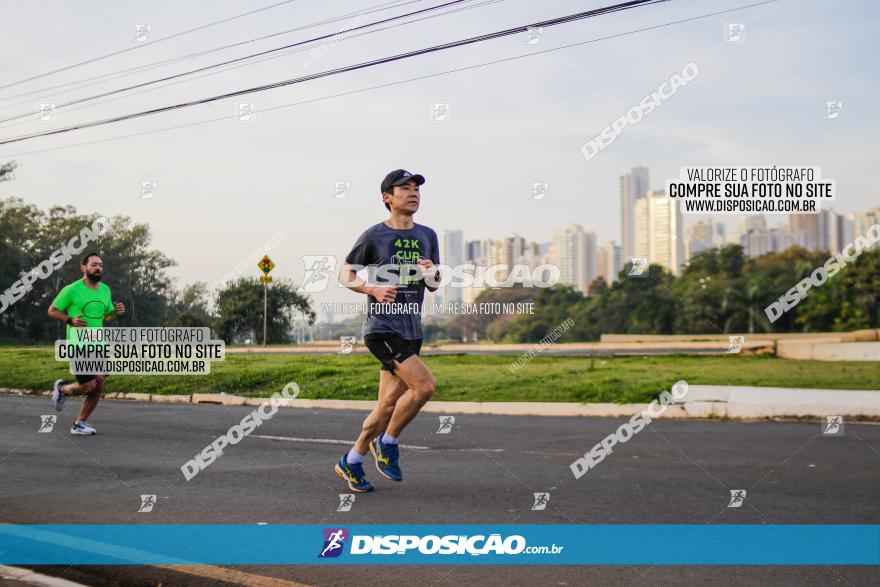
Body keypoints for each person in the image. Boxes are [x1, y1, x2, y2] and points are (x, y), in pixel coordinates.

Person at [334, 169, 440, 492]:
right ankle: (388, 443)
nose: (413, 193)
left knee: (386, 407)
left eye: (416, 189)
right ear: (387, 198)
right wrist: (372, 290)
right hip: (382, 328)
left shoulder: (428, 235)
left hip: (411, 330)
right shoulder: (373, 236)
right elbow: (345, 275)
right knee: (424, 387)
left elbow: (435, 286)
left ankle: (351, 461)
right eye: (404, 188)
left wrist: (432, 273)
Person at [47, 253, 125, 435]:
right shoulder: (71, 290)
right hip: (79, 344)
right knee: (89, 385)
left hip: (98, 344)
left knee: (99, 384)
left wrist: (116, 313)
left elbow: (106, 316)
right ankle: (63, 389)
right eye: (93, 264)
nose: (98, 267)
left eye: (100, 264)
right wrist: (70, 320)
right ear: (84, 267)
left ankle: (79, 423)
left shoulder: (105, 290)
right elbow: (52, 310)